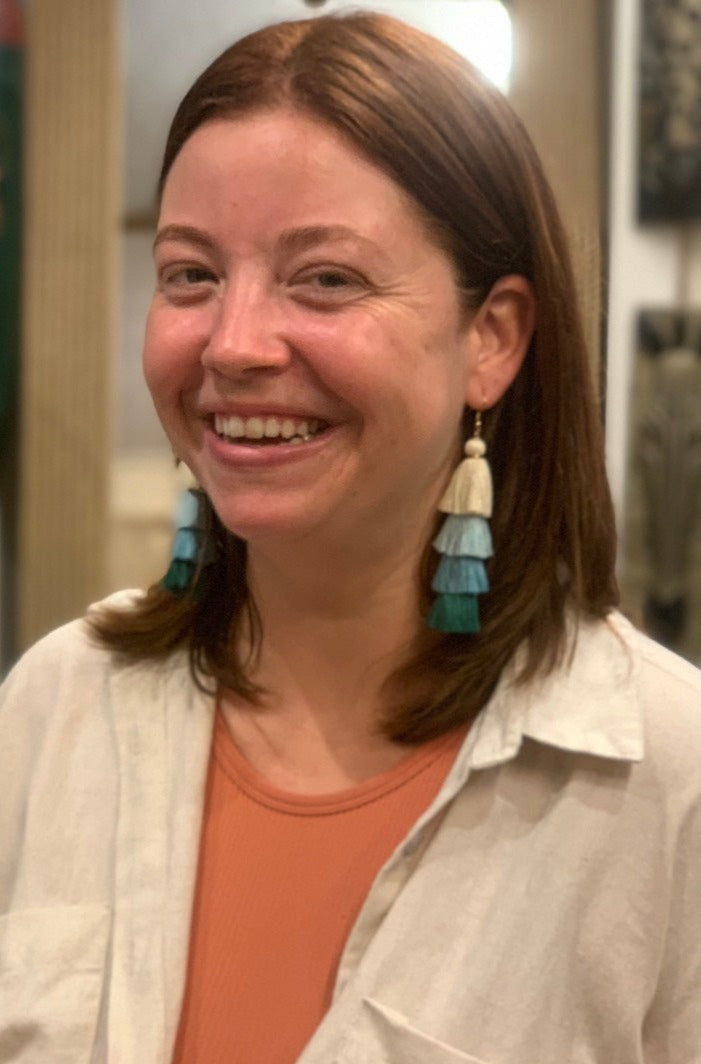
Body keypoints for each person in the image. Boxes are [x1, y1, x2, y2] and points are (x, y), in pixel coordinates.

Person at [1, 12, 700, 1064]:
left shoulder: (662, 776)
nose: (232, 344)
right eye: (190, 272)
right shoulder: (55, 706)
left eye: (323, 277)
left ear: (491, 340)